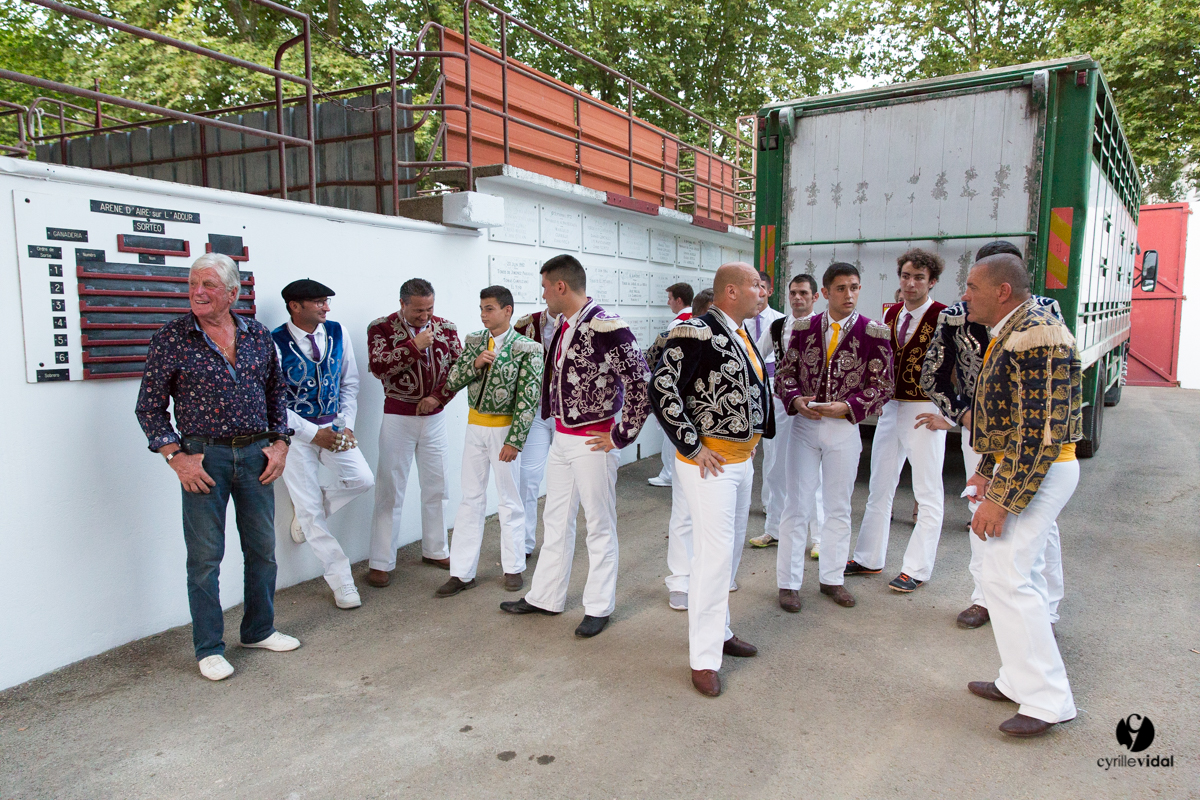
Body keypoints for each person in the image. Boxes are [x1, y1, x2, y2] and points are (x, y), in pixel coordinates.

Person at [135, 253, 298, 682]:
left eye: (208, 284)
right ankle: (208, 647)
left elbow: (276, 394)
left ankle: (259, 629)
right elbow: (149, 409)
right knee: (205, 558)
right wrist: (176, 457)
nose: (197, 292)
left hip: (257, 456)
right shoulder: (172, 338)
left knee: (262, 549)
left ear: (232, 292)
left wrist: (280, 444)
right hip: (203, 460)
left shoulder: (259, 336)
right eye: (192, 284)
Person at [961, 253, 1081, 738]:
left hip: (1043, 471)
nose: (965, 294)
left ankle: (1049, 700)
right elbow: (1005, 419)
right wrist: (987, 472)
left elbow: (1038, 432)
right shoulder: (1015, 329)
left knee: (1010, 577)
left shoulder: (1037, 333)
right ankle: (1018, 679)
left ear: (1002, 291)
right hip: (1024, 470)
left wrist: (1002, 499)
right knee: (1000, 576)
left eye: (971, 286)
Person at [500, 255, 652, 637]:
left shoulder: (606, 325)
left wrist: (621, 435)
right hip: (563, 438)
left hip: (593, 441)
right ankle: (546, 597)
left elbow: (641, 382)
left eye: (545, 287)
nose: (543, 295)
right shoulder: (565, 323)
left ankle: (599, 605)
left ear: (560, 287)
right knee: (555, 519)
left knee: (598, 523)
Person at [919, 240, 1067, 630]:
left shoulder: (1043, 316)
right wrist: (963, 416)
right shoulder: (955, 316)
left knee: (1037, 527)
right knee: (980, 517)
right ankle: (985, 599)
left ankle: (1045, 608)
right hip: (980, 435)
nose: (968, 293)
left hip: (1027, 444)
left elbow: (1046, 408)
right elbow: (931, 375)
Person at [650, 263, 773, 697]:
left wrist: (754, 432)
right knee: (713, 557)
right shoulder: (697, 331)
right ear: (732, 292)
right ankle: (703, 658)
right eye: (757, 285)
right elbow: (662, 388)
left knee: (730, 551)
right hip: (710, 463)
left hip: (740, 460)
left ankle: (719, 631)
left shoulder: (740, 331)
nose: (763, 291)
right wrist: (691, 446)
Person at [773, 262, 893, 611]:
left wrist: (848, 406)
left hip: (845, 427)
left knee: (838, 505)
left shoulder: (874, 332)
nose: (849, 294)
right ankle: (788, 583)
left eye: (854, 287)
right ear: (825, 293)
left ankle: (832, 579)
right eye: (841, 288)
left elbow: (883, 384)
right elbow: (785, 375)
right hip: (806, 426)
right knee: (797, 504)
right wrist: (795, 399)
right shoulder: (803, 327)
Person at [845, 249, 950, 592]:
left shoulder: (944, 316)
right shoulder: (889, 314)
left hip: (925, 409)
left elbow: (958, 368)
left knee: (927, 491)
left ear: (932, 282)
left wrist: (947, 413)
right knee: (880, 484)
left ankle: (917, 568)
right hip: (891, 408)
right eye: (906, 276)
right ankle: (869, 557)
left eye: (919, 277)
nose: (911, 283)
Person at [273, 279, 375, 611]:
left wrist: (344, 425)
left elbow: (350, 381)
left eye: (326, 301)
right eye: (319, 302)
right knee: (311, 512)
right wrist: (311, 434)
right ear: (295, 306)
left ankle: (308, 514)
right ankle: (341, 577)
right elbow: (272, 403)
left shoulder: (337, 332)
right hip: (295, 436)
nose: (326, 307)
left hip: (333, 425)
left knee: (362, 479)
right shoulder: (273, 343)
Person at [437, 286, 545, 597]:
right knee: (470, 498)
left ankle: (513, 568)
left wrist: (515, 440)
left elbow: (528, 398)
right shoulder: (474, 342)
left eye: (489, 309)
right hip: (475, 427)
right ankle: (461, 572)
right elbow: (452, 381)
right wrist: (475, 365)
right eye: (481, 308)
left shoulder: (528, 348)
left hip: (503, 429)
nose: (483, 314)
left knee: (509, 499)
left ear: (507, 311)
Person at [366, 279, 462, 588]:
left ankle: (435, 549)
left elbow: (458, 369)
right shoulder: (380, 328)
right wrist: (413, 346)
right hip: (398, 417)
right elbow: (379, 367)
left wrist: (438, 397)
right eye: (418, 310)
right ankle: (381, 561)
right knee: (390, 488)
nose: (425, 316)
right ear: (403, 303)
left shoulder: (446, 327)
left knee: (438, 484)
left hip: (434, 417)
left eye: (430, 308)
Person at [750, 273, 823, 555]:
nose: (797, 298)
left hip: (815, 406)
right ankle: (774, 529)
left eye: (803, 293)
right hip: (780, 403)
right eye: (793, 293)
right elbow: (755, 358)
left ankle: (818, 538)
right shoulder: (776, 326)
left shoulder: (825, 326)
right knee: (775, 466)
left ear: (815, 297)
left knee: (814, 472)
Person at [513, 307, 575, 557]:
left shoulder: (583, 323)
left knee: (567, 480)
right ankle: (523, 543)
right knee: (528, 477)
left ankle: (558, 543)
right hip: (536, 409)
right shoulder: (526, 324)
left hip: (567, 411)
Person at [647, 282, 696, 488]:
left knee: (670, 430)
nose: (668, 303)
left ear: (679, 300)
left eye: (669, 298)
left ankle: (669, 472)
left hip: (677, 383)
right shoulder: (698, 317)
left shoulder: (676, 324)